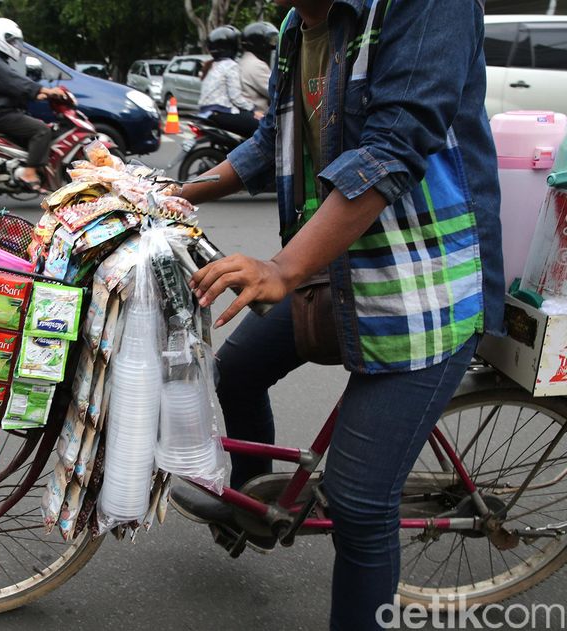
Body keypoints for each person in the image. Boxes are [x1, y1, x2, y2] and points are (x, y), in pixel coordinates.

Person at [170, 1, 502, 629]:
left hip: (424, 287)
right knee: (235, 371)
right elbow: (275, 138)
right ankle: (253, 505)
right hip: (337, 265)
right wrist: (175, 190)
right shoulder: (302, 25)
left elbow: (395, 146)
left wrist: (285, 268)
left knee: (357, 501)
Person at [0, 18, 63, 189]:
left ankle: (23, 166)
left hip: (0, 111)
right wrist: (44, 90)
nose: (15, 45)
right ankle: (29, 173)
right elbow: (16, 82)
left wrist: (37, 95)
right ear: (0, 38)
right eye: (12, 41)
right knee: (42, 131)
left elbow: (10, 87)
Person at [197, 25, 262, 138]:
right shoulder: (231, 66)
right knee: (261, 125)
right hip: (221, 112)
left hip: (206, 113)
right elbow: (235, 97)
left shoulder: (211, 65)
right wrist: (253, 109)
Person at [238, 21, 277, 114]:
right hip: (258, 115)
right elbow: (275, 92)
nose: (272, 45)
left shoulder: (243, 61)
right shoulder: (257, 65)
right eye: (269, 40)